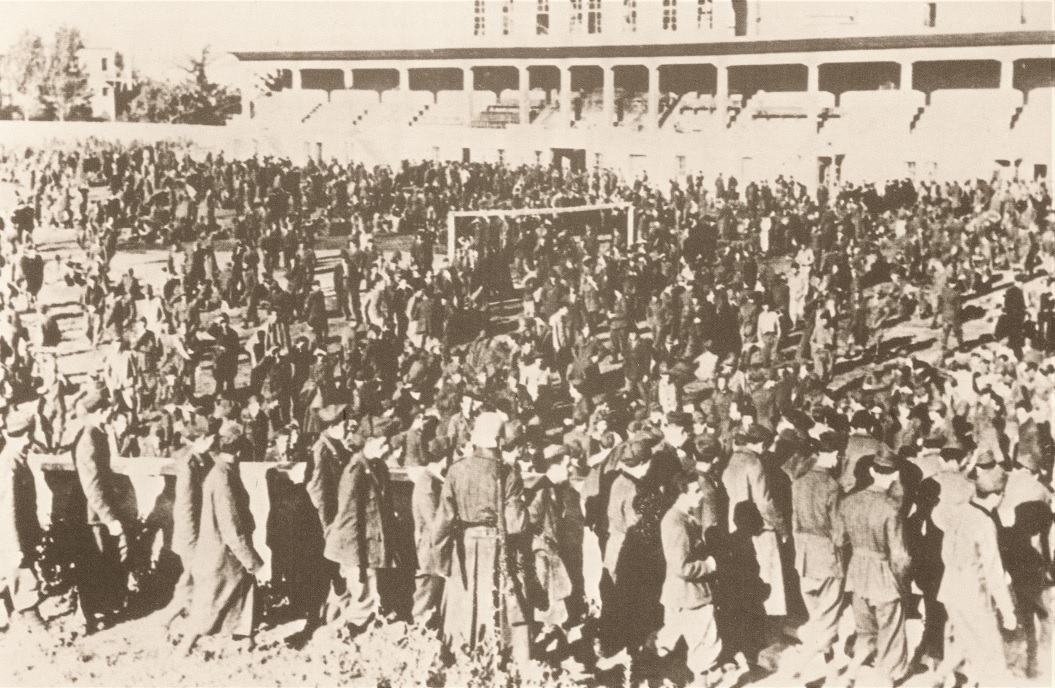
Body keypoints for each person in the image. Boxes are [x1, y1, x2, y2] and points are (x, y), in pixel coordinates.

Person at [432, 411, 530, 668]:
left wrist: (442, 562)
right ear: (500, 440)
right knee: (496, 601)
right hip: (496, 547)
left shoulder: (455, 470)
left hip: (464, 547)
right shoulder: (508, 473)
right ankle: (497, 659)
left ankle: (461, 657)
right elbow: (516, 523)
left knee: (463, 603)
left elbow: (442, 521)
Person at [180, 422, 267, 654]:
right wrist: (250, 560)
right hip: (223, 556)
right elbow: (230, 527)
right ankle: (184, 647)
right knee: (209, 608)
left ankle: (244, 640)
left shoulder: (218, 470)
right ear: (239, 452)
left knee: (243, 591)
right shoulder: (223, 478)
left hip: (218, 552)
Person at [935, 452, 1018, 687]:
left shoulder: (957, 511)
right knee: (992, 653)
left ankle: (939, 677)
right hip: (973, 594)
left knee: (963, 638)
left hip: (950, 588)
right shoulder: (984, 523)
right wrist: (1008, 610)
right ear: (997, 495)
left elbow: (945, 552)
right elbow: (993, 572)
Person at [835, 447, 911, 687]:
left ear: (870, 470)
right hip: (882, 574)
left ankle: (853, 672)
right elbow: (900, 555)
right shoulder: (891, 507)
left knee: (864, 629)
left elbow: (838, 540)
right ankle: (886, 678)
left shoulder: (849, 501)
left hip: (857, 573)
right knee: (890, 629)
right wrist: (901, 581)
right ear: (895, 474)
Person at [780, 433, 845, 682]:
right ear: (829, 455)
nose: (839, 459)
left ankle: (830, 671)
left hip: (804, 557)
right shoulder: (831, 486)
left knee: (818, 615)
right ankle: (802, 669)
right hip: (826, 558)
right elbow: (838, 532)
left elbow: (795, 521)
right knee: (826, 621)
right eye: (837, 455)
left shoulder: (799, 482)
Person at [323, 435, 402, 630]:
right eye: (381, 444)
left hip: (370, 543)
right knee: (363, 591)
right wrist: (355, 558)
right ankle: (344, 631)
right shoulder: (355, 470)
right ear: (369, 443)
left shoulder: (377, 466)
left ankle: (337, 623)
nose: (385, 448)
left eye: (386, 443)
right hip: (357, 545)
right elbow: (348, 517)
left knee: (355, 591)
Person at [70, 383, 129, 632]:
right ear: (99, 412)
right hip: (93, 516)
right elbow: (92, 485)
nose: (110, 417)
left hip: (95, 514)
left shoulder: (94, 435)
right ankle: (87, 616)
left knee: (99, 563)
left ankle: (98, 611)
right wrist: (109, 518)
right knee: (92, 565)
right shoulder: (89, 440)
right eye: (107, 412)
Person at [655, 476, 723, 686]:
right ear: (680, 495)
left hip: (679, 595)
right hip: (691, 595)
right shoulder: (677, 523)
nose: (701, 495)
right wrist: (709, 565)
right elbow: (682, 567)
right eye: (695, 491)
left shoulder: (680, 518)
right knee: (704, 646)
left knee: (669, 641)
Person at [0, 411, 45, 631]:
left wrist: (35, 532)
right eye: (21, 437)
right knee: (22, 571)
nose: (27, 441)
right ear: (8, 436)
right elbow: (8, 509)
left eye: (28, 435)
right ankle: (34, 620)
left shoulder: (18, 460)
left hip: (19, 530)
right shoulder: (9, 465)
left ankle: (11, 615)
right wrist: (16, 546)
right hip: (10, 532)